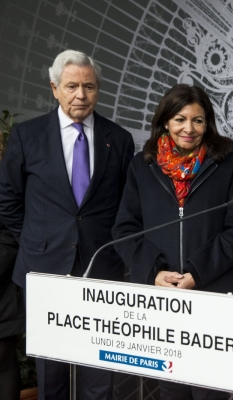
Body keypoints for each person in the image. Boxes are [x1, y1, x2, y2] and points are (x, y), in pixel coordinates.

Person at [0, 49, 134, 400]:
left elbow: (125, 206)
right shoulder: (27, 135)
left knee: (98, 369)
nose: (81, 95)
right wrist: (35, 240)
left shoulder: (117, 139)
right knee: (52, 372)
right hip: (44, 267)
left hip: (101, 266)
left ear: (98, 90)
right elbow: (8, 199)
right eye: (72, 86)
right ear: (54, 88)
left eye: (89, 86)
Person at [112, 84, 233, 399]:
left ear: (208, 123)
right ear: (165, 121)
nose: (189, 128)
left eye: (198, 120)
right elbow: (124, 229)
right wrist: (155, 272)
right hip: (161, 302)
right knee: (170, 390)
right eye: (180, 119)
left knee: (211, 391)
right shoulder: (141, 165)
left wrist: (196, 273)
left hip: (214, 298)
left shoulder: (229, 163)